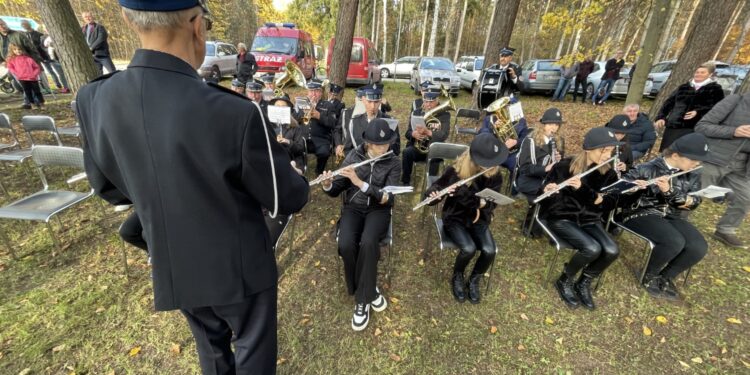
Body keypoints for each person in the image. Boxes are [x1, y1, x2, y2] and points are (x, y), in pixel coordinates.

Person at [76, 1, 309, 373]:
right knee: (253, 352)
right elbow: (288, 197)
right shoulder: (233, 112)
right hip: (240, 267)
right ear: (197, 24)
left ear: (125, 18)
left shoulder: (92, 99)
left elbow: (109, 189)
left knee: (212, 354)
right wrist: (294, 172)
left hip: (173, 260)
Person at [318, 119, 401, 331]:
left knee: (368, 242)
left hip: (377, 210)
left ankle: (362, 302)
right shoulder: (354, 157)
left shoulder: (394, 162)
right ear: (369, 144)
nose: (385, 148)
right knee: (345, 244)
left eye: (387, 144)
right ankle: (368, 286)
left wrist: (361, 183)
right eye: (379, 145)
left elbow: (387, 199)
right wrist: (328, 184)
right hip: (353, 208)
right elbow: (337, 189)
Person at [619, 133, 709, 300]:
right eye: (693, 159)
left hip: (671, 215)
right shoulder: (645, 168)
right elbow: (619, 195)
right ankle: (648, 274)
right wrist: (634, 188)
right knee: (673, 241)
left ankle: (666, 276)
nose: (697, 164)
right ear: (675, 155)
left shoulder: (692, 173)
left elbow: (694, 201)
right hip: (640, 213)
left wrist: (669, 192)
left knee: (699, 246)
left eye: (699, 161)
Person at [540, 127, 621, 310]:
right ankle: (565, 280)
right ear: (588, 149)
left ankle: (584, 281)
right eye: (604, 150)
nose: (607, 155)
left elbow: (609, 203)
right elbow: (545, 195)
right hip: (562, 217)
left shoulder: (609, 174)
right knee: (592, 248)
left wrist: (585, 190)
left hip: (589, 219)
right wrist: (548, 190)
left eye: (610, 151)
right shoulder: (564, 166)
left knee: (612, 250)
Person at [425, 134, 509, 304]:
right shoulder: (455, 171)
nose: (492, 165)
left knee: (489, 250)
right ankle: (458, 276)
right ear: (476, 158)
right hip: (455, 218)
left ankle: (474, 279)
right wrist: (434, 194)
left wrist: (474, 200)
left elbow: (491, 205)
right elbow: (436, 188)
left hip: (479, 219)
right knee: (469, 248)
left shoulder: (495, 175)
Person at [695, 92, 750, 248]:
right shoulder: (736, 100)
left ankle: (725, 230)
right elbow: (702, 126)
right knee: (696, 193)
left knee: (745, 198)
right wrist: (733, 131)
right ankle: (676, 221)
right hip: (714, 158)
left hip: (743, 165)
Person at [655, 62, 725, 151]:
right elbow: (668, 103)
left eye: (703, 72)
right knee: (667, 152)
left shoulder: (715, 89)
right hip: (673, 126)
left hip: (694, 128)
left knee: (684, 155)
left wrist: (698, 112)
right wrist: (661, 117)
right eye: (697, 72)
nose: (698, 74)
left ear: (710, 74)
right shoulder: (683, 87)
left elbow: (718, 108)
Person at [516, 108, 564, 236]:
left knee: (561, 192)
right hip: (529, 179)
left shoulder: (558, 141)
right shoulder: (530, 141)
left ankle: (548, 221)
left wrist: (559, 160)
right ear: (543, 124)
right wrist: (545, 168)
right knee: (549, 193)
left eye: (556, 125)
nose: (554, 128)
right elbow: (524, 169)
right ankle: (528, 224)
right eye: (550, 124)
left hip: (547, 179)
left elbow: (558, 166)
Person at [401, 90, 450, 185]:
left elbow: (444, 135)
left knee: (434, 158)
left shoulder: (444, 115)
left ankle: (431, 185)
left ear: (437, 101)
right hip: (418, 148)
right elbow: (407, 133)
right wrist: (413, 134)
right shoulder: (417, 112)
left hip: (433, 149)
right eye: (426, 101)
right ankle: (405, 181)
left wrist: (428, 132)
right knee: (407, 152)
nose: (428, 105)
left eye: (431, 102)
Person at [337, 87, 398, 160]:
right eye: (369, 102)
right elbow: (347, 149)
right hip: (359, 164)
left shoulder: (390, 121)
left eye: (376, 102)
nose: (373, 106)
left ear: (380, 101)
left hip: (383, 165)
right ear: (363, 100)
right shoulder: (354, 122)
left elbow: (396, 149)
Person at [478, 96, 529, 175]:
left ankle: (513, 184)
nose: (506, 110)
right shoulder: (490, 119)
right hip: (493, 151)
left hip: (510, 154)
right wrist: (493, 129)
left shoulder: (520, 121)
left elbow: (526, 139)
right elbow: (481, 135)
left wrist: (516, 142)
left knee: (518, 165)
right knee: (480, 162)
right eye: (505, 107)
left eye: (509, 107)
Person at [0, 18, 43, 108]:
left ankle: (33, 102)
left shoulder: (18, 34)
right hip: (11, 64)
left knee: (30, 83)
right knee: (20, 84)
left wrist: (37, 61)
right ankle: (29, 101)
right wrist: (2, 61)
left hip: (25, 64)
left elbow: (31, 48)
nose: (2, 26)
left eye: (3, 24)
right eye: (0, 25)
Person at [303, 80, 340, 175]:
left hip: (321, 139)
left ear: (321, 92)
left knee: (324, 152)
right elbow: (294, 118)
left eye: (316, 91)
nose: (313, 94)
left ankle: (319, 171)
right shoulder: (301, 103)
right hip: (304, 138)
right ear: (308, 92)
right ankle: (299, 169)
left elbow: (333, 123)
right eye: (311, 91)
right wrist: (301, 113)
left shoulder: (328, 105)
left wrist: (319, 116)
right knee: (293, 148)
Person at [5, 43, 44, 109]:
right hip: (22, 79)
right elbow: (10, 68)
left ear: (22, 50)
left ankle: (41, 103)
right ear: (12, 51)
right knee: (27, 92)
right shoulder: (12, 60)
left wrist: (34, 74)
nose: (18, 51)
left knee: (37, 91)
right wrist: (17, 74)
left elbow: (36, 67)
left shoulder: (28, 59)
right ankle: (32, 104)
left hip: (33, 78)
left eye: (19, 49)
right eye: (15, 50)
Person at [39, 26, 71, 93]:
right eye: (46, 29)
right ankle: (66, 87)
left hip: (64, 56)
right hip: (53, 58)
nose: (48, 30)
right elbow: (42, 48)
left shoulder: (59, 34)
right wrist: (49, 48)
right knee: (61, 73)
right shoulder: (43, 38)